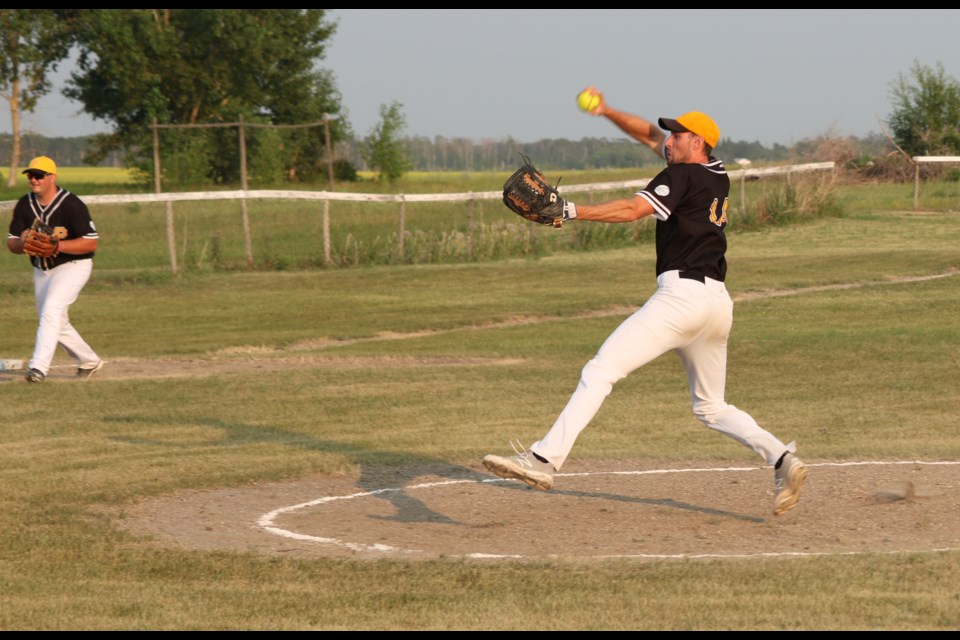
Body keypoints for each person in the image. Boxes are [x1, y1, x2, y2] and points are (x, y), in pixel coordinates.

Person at [482, 88, 808, 515]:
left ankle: (543, 459)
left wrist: (570, 210)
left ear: (697, 142)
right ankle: (784, 461)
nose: (667, 140)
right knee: (711, 406)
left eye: (677, 135)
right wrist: (609, 111)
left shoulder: (679, 176)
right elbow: (647, 135)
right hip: (717, 304)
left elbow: (633, 210)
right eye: (668, 135)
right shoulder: (715, 172)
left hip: (681, 300)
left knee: (600, 370)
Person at [6, 156, 104, 383]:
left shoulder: (71, 204)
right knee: (52, 318)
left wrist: (56, 245)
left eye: (39, 175)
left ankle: (38, 367)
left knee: (51, 310)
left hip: (73, 265)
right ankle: (89, 360)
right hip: (42, 269)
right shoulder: (25, 204)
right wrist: (23, 242)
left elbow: (91, 242)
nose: (33, 179)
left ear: (52, 177)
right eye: (30, 175)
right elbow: (12, 244)